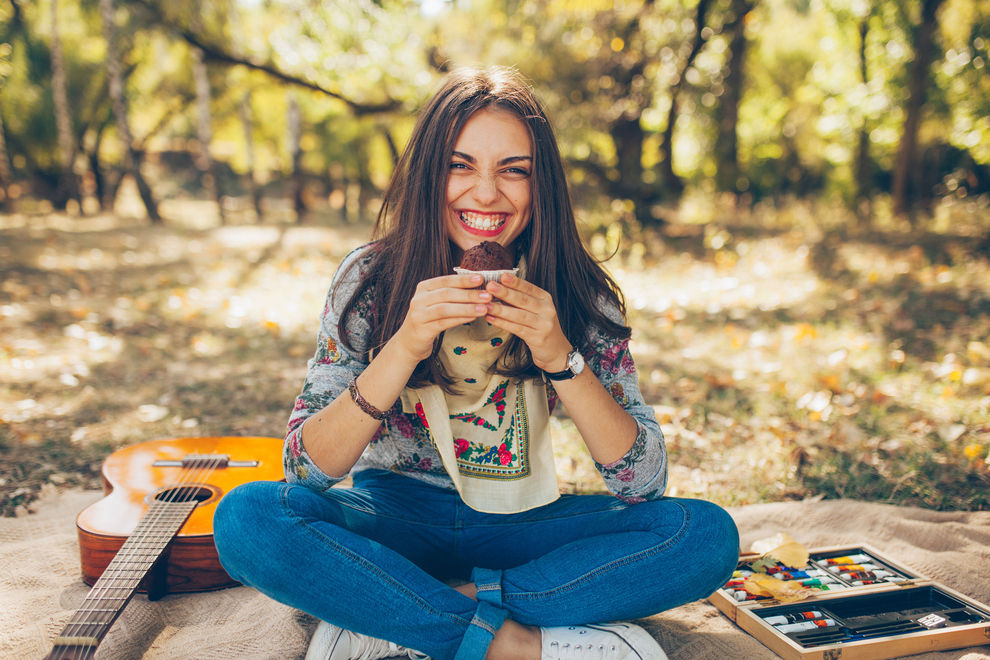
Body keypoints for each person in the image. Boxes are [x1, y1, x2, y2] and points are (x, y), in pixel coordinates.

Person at [214, 66, 739, 660]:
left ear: (542, 187)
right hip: (392, 517)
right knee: (247, 518)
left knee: (705, 536)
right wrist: (406, 343)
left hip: (524, 523)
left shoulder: (578, 294)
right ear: (427, 176)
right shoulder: (368, 280)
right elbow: (304, 472)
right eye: (460, 166)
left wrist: (561, 358)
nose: (486, 194)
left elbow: (642, 482)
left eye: (513, 171)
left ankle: (403, 611)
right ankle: (509, 643)